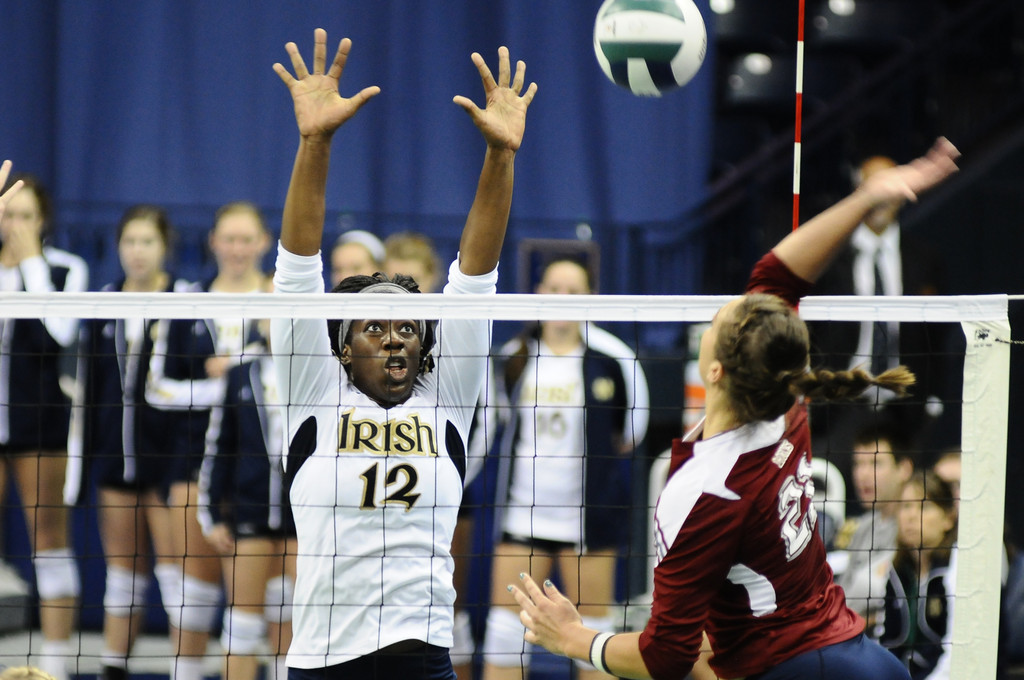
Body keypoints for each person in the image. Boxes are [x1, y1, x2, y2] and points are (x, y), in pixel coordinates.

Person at [508, 138, 960, 680]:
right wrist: (866, 199)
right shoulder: (785, 409)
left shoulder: (707, 489)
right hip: (858, 659)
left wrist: (574, 638)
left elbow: (665, 655)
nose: (723, 309)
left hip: (800, 671)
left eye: (719, 320)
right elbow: (777, 276)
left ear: (716, 370)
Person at [269, 27, 536, 680]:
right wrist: (314, 144)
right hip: (323, 661)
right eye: (374, 327)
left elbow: (475, 274)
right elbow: (298, 266)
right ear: (341, 347)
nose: (394, 336)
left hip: (422, 661)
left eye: (409, 327)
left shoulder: (446, 397)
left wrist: (500, 156)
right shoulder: (314, 390)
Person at [482, 256, 650, 680]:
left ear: (590, 297)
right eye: (554, 288)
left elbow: (632, 430)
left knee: (592, 639)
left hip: (586, 523)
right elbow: (495, 422)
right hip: (523, 516)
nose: (562, 298)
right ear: (539, 292)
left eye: (573, 291)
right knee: (505, 634)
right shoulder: (513, 357)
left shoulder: (613, 358)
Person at [146, 200, 272, 680]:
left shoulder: (282, 298)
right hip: (195, 460)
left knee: (267, 607)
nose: (238, 249)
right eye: (229, 239)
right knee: (193, 597)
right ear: (213, 242)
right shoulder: (187, 300)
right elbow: (157, 387)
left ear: (263, 243)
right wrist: (227, 385)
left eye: (247, 239)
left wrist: (240, 371)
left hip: (263, 471)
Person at [69, 205, 190, 680]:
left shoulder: (185, 300)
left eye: (147, 242)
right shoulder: (103, 301)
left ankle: (185, 669)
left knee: (176, 576)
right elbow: (90, 385)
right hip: (114, 461)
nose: (137, 252)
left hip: (169, 463)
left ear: (165, 247)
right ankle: (113, 667)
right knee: (122, 574)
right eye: (129, 242)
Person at [808, 154, 952, 489]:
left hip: (904, 408)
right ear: (857, 192)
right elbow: (808, 330)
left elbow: (936, 335)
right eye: (872, 187)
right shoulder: (828, 256)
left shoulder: (924, 259)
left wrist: (932, 399)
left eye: (889, 187)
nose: (881, 198)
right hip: (839, 405)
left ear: (902, 194)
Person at [382, 230, 483, 679]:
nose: (404, 289)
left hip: (449, 491)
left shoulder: (454, 337)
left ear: (432, 277)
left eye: (413, 279)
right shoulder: (371, 341)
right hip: (378, 491)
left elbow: (482, 423)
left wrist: (449, 474)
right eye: (393, 279)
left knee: (446, 608)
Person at [0, 164, 87, 680]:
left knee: (49, 542)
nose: (15, 224)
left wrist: (31, 259)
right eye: (8, 214)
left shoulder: (64, 270)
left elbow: (59, 331)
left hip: (40, 425)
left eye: (27, 215)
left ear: (44, 220)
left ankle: (55, 667)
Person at [197, 286, 296, 680]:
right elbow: (218, 448)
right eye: (270, 307)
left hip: (301, 521)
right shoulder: (240, 372)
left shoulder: (318, 371)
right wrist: (210, 515)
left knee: (296, 626)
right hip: (250, 514)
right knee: (241, 626)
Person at [876, 471, 957, 680]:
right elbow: (885, 641)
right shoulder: (897, 571)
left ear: (948, 518)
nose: (911, 516)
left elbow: (956, 655)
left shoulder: (956, 567)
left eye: (923, 506)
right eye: (905, 506)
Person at [834, 418, 916, 623]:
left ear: (904, 469)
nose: (863, 475)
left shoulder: (916, 529)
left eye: (875, 463)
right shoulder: (862, 527)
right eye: (858, 464)